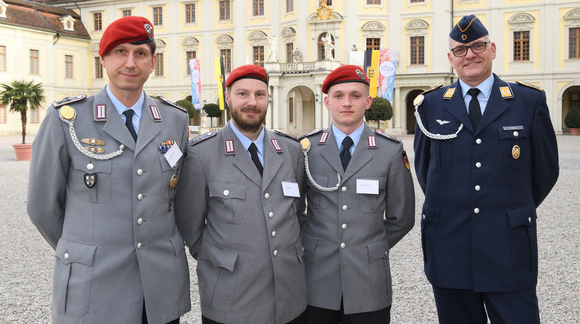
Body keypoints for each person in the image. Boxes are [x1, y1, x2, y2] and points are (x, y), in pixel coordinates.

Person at [27, 16, 191, 324]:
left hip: (158, 287)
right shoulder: (67, 119)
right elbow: (41, 206)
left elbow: (180, 200)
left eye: (140, 53)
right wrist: (80, 248)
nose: (131, 62)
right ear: (103, 59)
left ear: (153, 62)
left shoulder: (174, 120)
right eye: (121, 52)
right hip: (94, 284)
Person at [413, 14, 559, 323]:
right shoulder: (430, 105)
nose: (470, 55)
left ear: (492, 48)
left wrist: (508, 209)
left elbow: (545, 172)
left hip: (509, 248)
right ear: (450, 59)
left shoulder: (527, 101)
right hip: (450, 247)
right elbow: (427, 171)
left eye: (477, 46)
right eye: (460, 51)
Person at [175, 64, 307, 324]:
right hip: (230, 297)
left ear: (268, 98)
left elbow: (297, 212)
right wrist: (221, 260)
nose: (252, 102)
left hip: (289, 297)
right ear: (227, 97)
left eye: (260, 94)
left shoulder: (291, 150)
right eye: (243, 94)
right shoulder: (201, 154)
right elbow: (190, 226)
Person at [298, 65, 415, 324]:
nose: (347, 103)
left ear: (368, 101)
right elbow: (294, 210)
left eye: (355, 95)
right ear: (327, 101)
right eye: (338, 96)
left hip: (368, 278)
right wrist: (314, 239)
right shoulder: (305, 150)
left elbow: (402, 217)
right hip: (316, 277)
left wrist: (370, 245)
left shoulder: (390, 151)